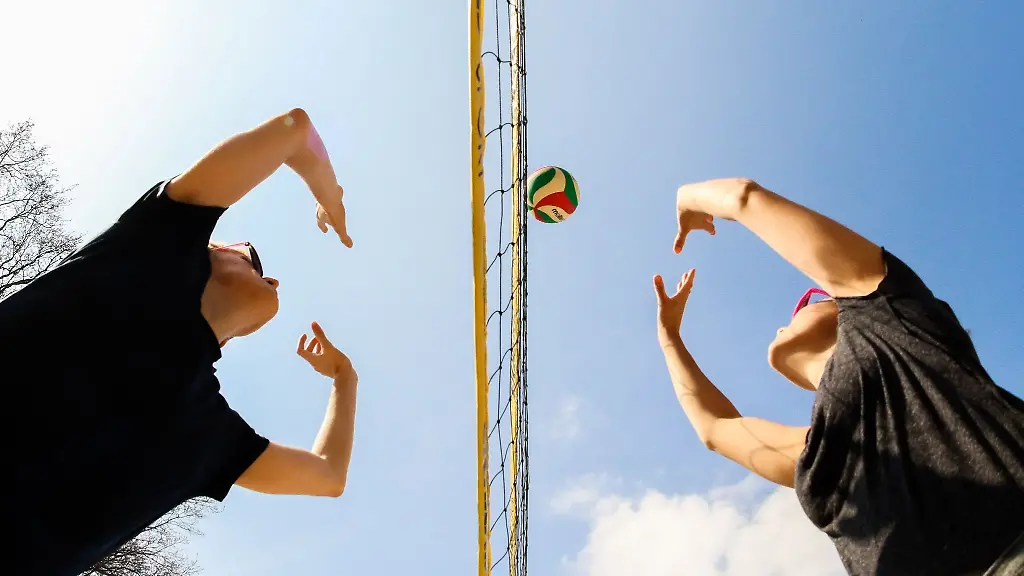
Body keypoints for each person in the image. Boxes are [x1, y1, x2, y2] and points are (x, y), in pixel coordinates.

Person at [4, 109, 360, 575]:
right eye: (255, 258)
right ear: (212, 249)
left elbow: (328, 475)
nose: (271, 278)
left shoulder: (205, 435)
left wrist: (344, 378)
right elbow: (293, 131)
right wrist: (328, 191)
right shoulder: (148, 250)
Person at [653, 177, 1023, 575]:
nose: (785, 320)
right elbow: (715, 427)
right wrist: (669, 337)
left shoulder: (889, 317)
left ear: (839, 307)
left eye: (805, 302)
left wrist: (687, 196)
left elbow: (745, 198)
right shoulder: (813, 455)